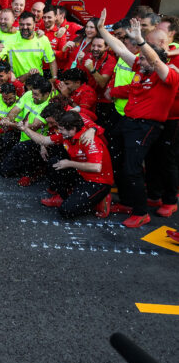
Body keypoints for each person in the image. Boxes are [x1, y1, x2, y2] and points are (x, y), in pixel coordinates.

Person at [99, 12, 179, 228]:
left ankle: (141, 212)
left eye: (143, 56)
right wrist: (102, 31)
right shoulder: (142, 69)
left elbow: (153, 59)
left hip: (145, 126)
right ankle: (127, 201)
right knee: (115, 157)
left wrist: (142, 41)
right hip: (128, 122)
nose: (137, 59)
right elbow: (121, 49)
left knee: (132, 168)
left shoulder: (168, 75)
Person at [20, 111, 113, 219]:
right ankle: (64, 197)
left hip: (98, 181)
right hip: (81, 175)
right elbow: (44, 140)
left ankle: (100, 200)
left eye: (61, 129)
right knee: (54, 163)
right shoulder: (67, 135)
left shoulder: (89, 140)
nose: (59, 131)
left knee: (66, 211)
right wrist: (25, 129)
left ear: (72, 129)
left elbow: (96, 167)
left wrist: (70, 163)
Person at [0, 76, 53, 185]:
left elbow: (33, 127)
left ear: (46, 94)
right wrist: (7, 120)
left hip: (38, 142)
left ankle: (30, 173)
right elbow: (15, 111)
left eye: (36, 95)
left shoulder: (49, 106)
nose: (32, 96)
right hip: (22, 136)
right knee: (5, 171)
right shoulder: (28, 94)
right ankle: (26, 166)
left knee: (23, 147)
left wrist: (10, 124)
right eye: (32, 93)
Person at [0, 11, 57, 81]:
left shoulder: (43, 39)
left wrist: (54, 78)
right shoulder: (10, 39)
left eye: (28, 24)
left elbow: (52, 61)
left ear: (34, 25)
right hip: (17, 83)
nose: (25, 27)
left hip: (37, 84)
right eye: (22, 24)